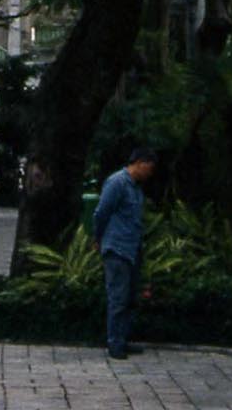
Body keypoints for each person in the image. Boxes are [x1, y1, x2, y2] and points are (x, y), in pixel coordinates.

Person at [91, 146, 156, 359]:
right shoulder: (117, 182)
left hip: (132, 248)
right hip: (117, 248)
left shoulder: (136, 188)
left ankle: (123, 338)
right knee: (118, 297)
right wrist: (97, 238)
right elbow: (101, 212)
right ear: (139, 163)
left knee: (129, 298)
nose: (150, 173)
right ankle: (114, 342)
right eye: (149, 168)